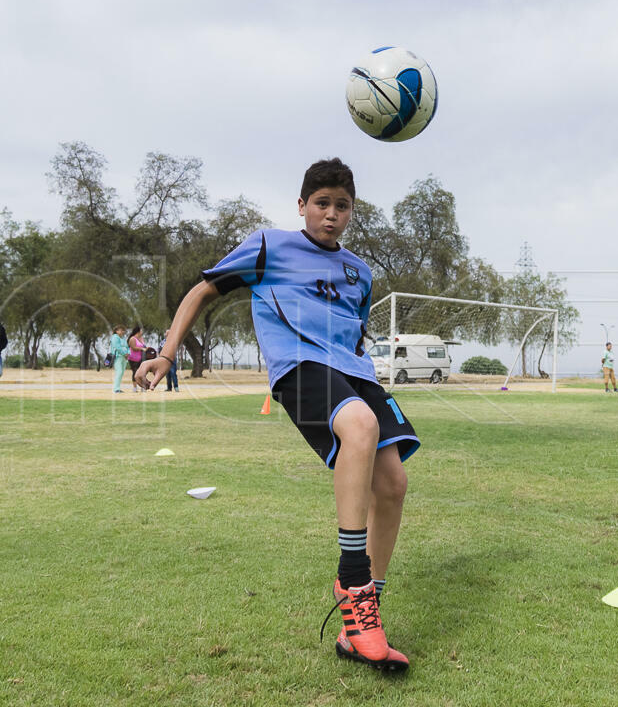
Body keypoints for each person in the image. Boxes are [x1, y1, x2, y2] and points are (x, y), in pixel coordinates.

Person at [136, 159, 418, 671]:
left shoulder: (360, 271)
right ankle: (353, 577)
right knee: (359, 424)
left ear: (353, 211)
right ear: (302, 205)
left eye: (342, 206)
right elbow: (202, 290)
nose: (331, 214)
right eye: (322, 203)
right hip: (301, 368)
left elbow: (355, 329)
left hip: (354, 371)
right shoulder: (269, 245)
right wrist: (167, 353)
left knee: (393, 485)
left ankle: (361, 622)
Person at [127, 327, 146, 392]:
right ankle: (135, 388)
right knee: (135, 373)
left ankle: (142, 387)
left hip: (141, 358)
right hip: (133, 358)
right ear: (138, 331)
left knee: (142, 373)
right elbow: (133, 347)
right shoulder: (132, 338)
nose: (142, 332)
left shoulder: (141, 338)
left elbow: (144, 346)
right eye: (141, 331)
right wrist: (141, 349)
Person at [109, 325, 128, 393]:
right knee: (119, 372)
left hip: (124, 357)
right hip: (117, 357)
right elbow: (117, 347)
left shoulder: (123, 338)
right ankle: (116, 389)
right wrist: (124, 353)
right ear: (116, 331)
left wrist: (128, 353)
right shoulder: (115, 337)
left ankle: (118, 388)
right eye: (120, 330)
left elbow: (127, 346)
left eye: (123, 330)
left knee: (121, 373)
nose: (122, 331)